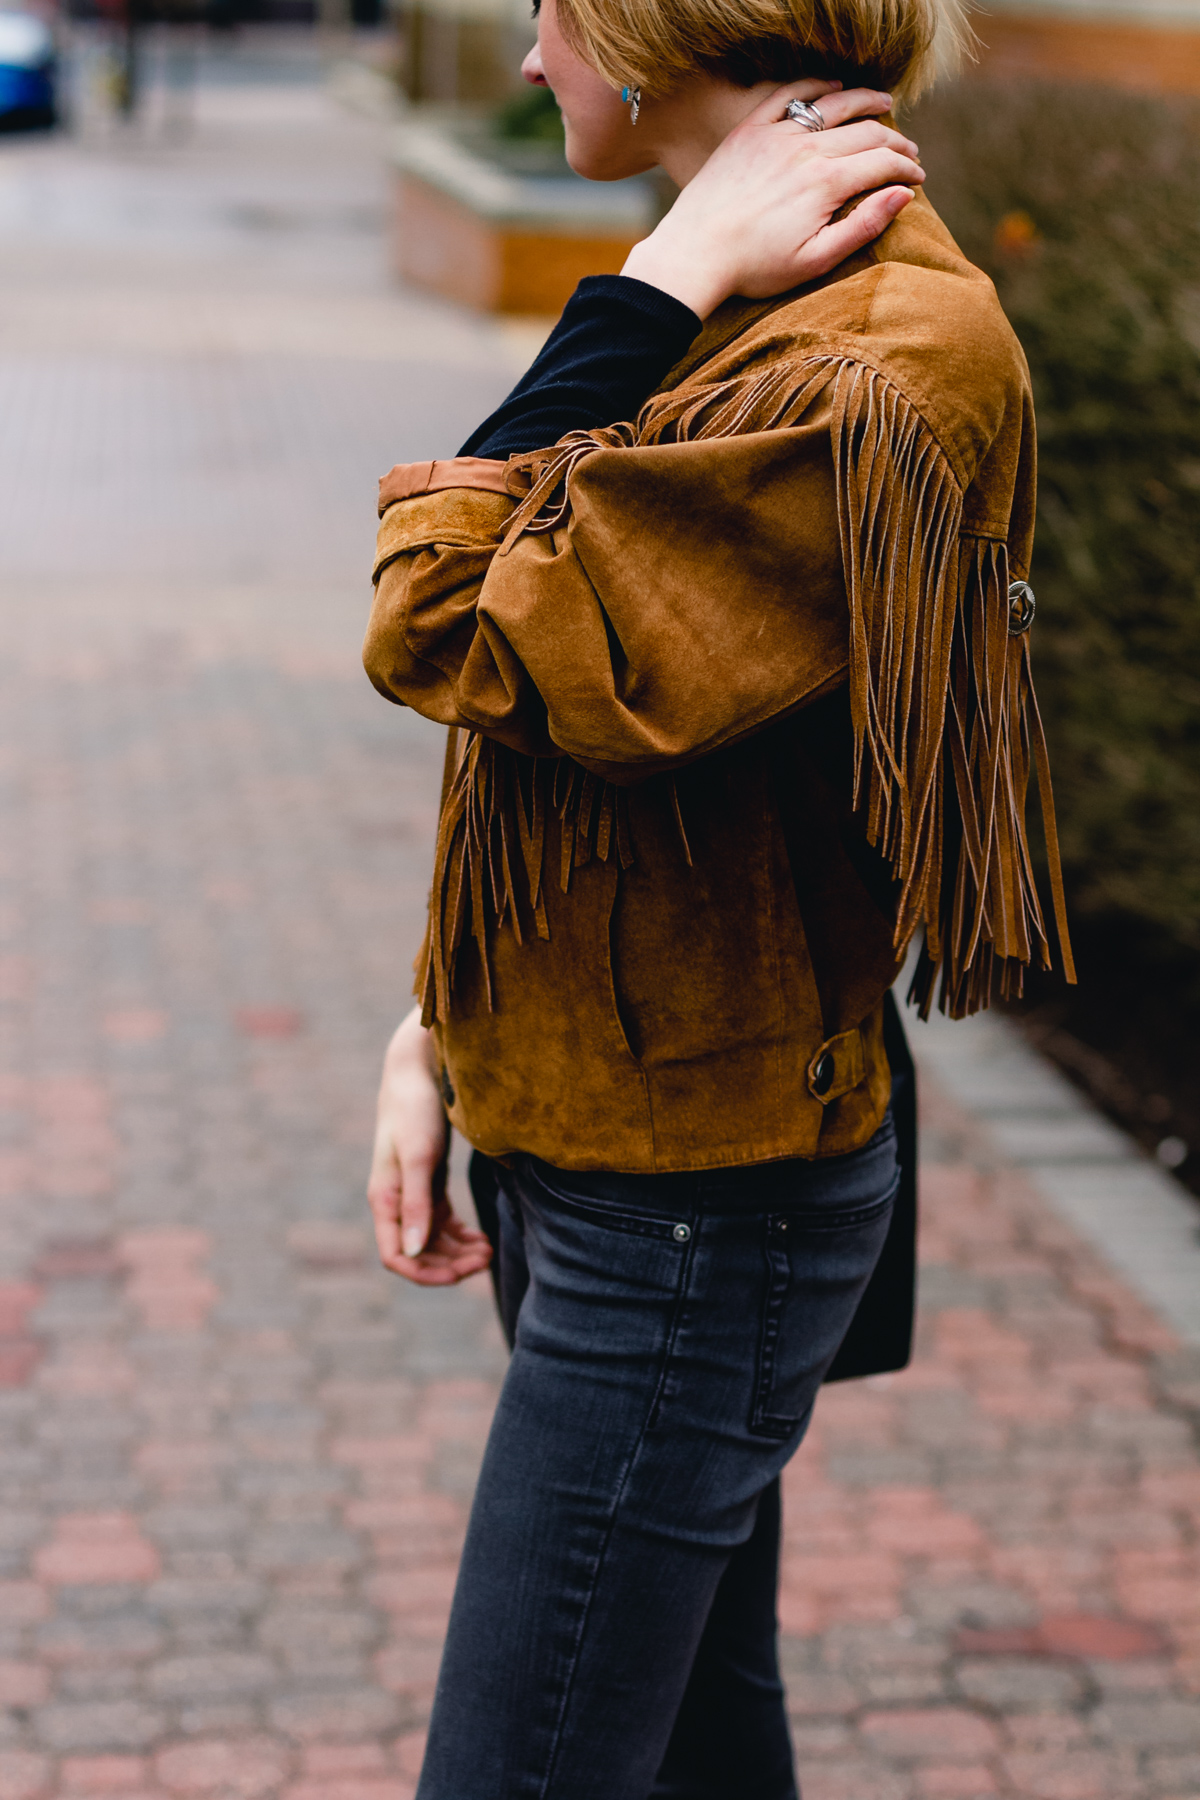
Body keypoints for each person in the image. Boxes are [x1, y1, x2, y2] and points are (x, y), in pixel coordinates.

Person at [362, 0, 1073, 1789]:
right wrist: (443, 1019)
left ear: (651, 22)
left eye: (547, 14)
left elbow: (449, 622)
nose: (530, 63)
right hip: (621, 1135)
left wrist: (656, 276)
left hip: (687, 1209)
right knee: (689, 1737)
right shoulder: (767, 298)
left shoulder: (863, 359)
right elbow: (616, 757)